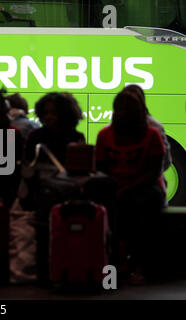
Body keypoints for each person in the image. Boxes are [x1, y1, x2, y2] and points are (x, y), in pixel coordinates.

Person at [95, 90, 166, 284]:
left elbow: (154, 172)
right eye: (118, 109)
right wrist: (116, 188)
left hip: (145, 187)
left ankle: (140, 267)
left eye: (127, 110)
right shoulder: (104, 135)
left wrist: (126, 189)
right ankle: (112, 266)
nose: (121, 114)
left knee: (141, 205)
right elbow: (100, 170)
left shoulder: (152, 135)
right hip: (116, 187)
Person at [24, 92, 85, 164]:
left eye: (54, 113)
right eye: (45, 113)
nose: (48, 117)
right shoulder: (34, 136)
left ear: (65, 114)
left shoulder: (35, 136)